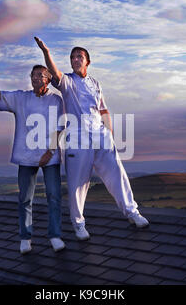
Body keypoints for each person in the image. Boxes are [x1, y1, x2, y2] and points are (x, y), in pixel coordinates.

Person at [35, 37, 149, 241]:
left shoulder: (95, 83)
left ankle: (133, 213)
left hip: (101, 135)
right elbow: (54, 72)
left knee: (117, 173)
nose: (75, 59)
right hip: (77, 138)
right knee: (78, 183)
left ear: (87, 61)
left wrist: (110, 134)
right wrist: (46, 52)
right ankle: (79, 225)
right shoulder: (67, 82)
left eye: (80, 56)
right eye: (72, 57)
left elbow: (103, 109)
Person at [0, 65, 65, 254]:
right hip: (26, 155)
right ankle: (25, 237)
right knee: (25, 198)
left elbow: (59, 127)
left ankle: (55, 236)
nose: (35, 78)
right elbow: (1, 95)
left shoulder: (56, 100)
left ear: (48, 79)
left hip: (50, 156)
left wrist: (49, 152)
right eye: (33, 75)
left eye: (40, 75)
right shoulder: (22, 98)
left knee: (54, 196)